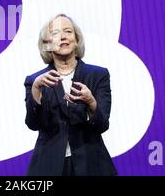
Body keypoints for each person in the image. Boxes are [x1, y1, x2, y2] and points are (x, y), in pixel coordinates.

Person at [24, 13, 117, 176]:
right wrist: (36, 91)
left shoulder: (98, 75)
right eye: (55, 33)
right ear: (47, 44)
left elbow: (102, 125)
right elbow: (33, 124)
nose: (63, 37)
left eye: (68, 31)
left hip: (91, 164)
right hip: (49, 166)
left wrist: (91, 102)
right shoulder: (35, 81)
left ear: (77, 40)